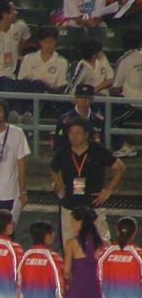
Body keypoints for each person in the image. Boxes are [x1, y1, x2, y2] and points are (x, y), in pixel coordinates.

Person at [50, 116, 124, 243]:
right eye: (71, 133)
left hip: (93, 204)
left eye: (78, 133)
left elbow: (120, 168)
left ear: (86, 134)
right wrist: (59, 185)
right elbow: (53, 168)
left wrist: (108, 190)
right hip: (70, 204)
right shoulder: (63, 151)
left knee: (102, 243)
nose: (74, 137)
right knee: (69, 243)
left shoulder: (98, 150)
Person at [110, 26, 142, 157]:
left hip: (134, 105)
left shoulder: (124, 61)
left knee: (110, 120)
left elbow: (115, 88)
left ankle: (125, 146)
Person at [53, 84, 105, 151]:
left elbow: (102, 143)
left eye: (88, 98)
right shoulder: (65, 120)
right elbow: (59, 143)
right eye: (81, 97)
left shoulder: (98, 120)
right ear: (75, 99)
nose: (84, 100)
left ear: (92, 100)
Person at [17, 26, 68, 94]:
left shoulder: (62, 62)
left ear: (56, 42)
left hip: (48, 94)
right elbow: (22, 80)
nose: (48, 45)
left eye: (51, 42)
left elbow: (60, 86)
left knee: (39, 84)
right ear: (40, 42)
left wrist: (48, 86)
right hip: (29, 93)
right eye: (45, 42)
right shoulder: (28, 58)